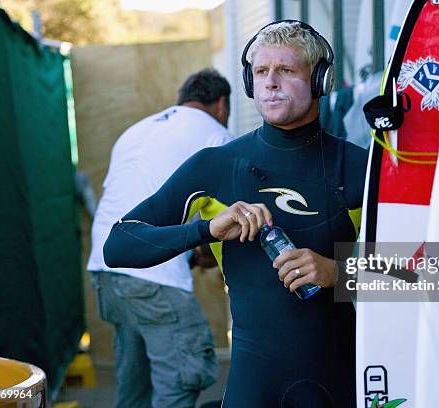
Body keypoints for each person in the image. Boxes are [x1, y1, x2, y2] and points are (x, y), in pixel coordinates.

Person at [104, 21, 367, 407]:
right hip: (254, 383)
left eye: (287, 70)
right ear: (249, 82)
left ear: (319, 81)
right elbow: (118, 245)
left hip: (341, 381)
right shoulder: (215, 165)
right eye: (262, 71)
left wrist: (341, 272)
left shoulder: (359, 167)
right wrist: (206, 230)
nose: (271, 82)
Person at [87, 68, 233, 408]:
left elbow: (127, 197)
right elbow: (226, 221)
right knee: (181, 380)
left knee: (135, 386)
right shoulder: (215, 134)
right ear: (222, 104)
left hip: (106, 269)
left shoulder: (137, 130)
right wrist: (208, 253)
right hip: (156, 281)